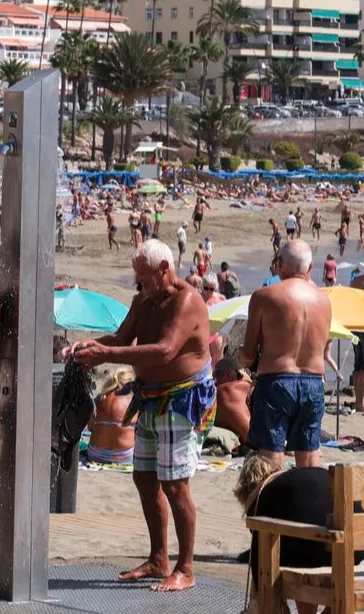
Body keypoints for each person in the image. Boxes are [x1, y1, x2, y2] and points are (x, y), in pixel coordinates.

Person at [71, 240, 214, 592]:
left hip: (183, 400)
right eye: (137, 278)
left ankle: (186, 567)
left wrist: (107, 354)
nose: (140, 284)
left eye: (145, 277)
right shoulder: (143, 300)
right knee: (145, 478)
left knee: (176, 483)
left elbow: (165, 351)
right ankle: (158, 558)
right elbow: (121, 338)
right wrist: (88, 347)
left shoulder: (187, 301)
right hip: (149, 399)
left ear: (165, 269)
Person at [240, 239, 332, 469]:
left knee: (271, 457)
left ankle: (275, 503)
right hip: (314, 382)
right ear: (310, 268)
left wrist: (238, 362)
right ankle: (310, 504)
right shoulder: (324, 301)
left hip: (277, 381)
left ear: (279, 264)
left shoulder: (264, 296)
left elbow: (249, 353)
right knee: (309, 456)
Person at [234, 455, 364, 614]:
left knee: (298, 553)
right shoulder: (302, 477)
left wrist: (262, 598)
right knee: (301, 547)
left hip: (325, 547)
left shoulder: (265, 494)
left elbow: (259, 560)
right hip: (356, 552)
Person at [86, 367, 137, 465]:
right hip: (123, 457)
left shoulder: (101, 399)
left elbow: (90, 427)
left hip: (95, 454)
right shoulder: (133, 401)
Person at [213, 359, 251, 447]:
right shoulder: (229, 392)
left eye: (217, 375)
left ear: (228, 373)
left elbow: (252, 438)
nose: (215, 381)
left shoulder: (229, 391)